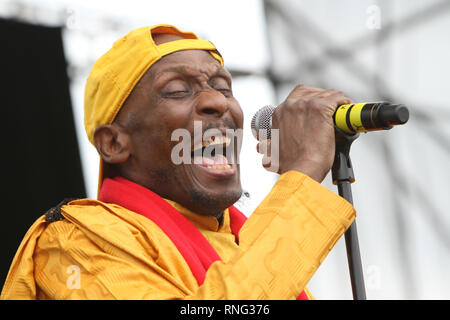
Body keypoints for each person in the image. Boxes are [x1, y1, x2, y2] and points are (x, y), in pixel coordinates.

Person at [1, 24, 355, 300]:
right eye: (176, 90)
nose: (218, 102)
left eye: (223, 87)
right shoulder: (71, 245)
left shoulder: (242, 239)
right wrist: (304, 172)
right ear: (114, 143)